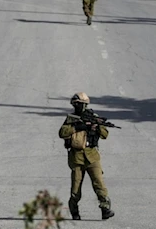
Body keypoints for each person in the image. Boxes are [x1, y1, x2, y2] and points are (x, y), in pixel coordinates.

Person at [58, 92, 114, 221]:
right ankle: (74, 211)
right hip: (76, 157)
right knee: (76, 189)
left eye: (82, 104)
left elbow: (105, 134)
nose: (80, 107)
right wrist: (78, 127)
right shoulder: (71, 119)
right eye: (78, 104)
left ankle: (105, 209)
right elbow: (62, 133)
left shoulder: (93, 117)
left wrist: (96, 127)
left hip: (92, 156)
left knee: (99, 184)